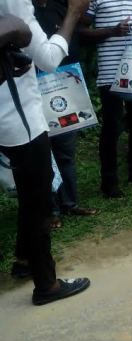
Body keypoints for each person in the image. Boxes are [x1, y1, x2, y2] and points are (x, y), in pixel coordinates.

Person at [0, 0, 91, 305]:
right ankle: (46, 285)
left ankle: (25, 260)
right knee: (37, 199)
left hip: (6, 117)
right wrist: (74, 13)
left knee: (30, 194)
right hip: (18, 118)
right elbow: (49, 58)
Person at [81, 0, 132, 199]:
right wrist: (111, 31)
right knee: (113, 126)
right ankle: (109, 182)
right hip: (109, 72)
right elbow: (82, 32)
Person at [33, 0, 99, 229]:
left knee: (66, 150)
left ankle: (70, 203)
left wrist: (77, 11)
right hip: (35, 90)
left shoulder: (62, 7)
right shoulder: (26, 10)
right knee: (43, 155)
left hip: (65, 86)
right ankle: (50, 209)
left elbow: (86, 22)